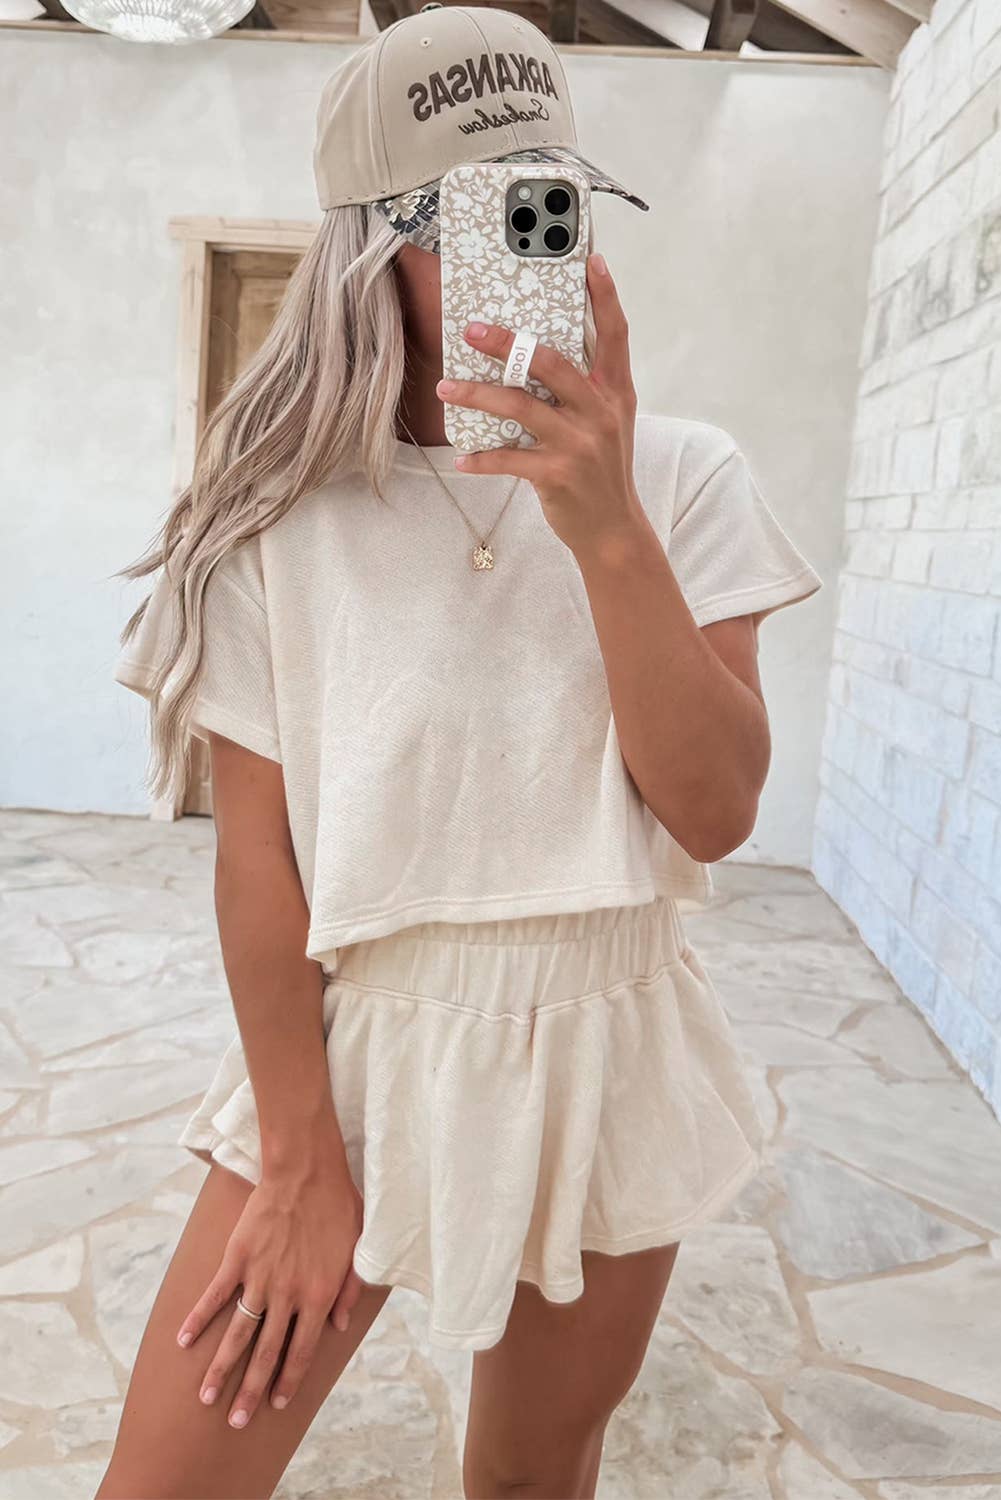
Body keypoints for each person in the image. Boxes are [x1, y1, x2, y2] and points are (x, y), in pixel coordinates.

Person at [98, 5, 823, 1497]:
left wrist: (605, 525)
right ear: (365, 251)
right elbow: (259, 867)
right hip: (358, 1053)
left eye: (549, 203)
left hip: (606, 1040)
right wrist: (296, 1157)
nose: (526, 249)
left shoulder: (683, 478)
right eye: (468, 219)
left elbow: (715, 809)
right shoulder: (279, 516)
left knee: (531, 1480)